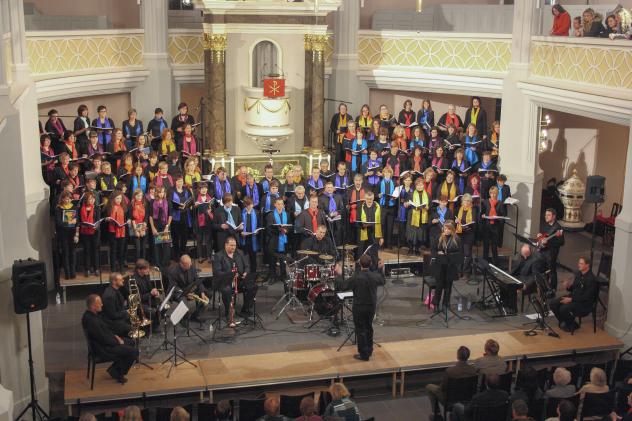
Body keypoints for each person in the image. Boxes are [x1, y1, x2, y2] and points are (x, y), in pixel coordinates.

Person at [82, 294, 137, 384]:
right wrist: (118, 341)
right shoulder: (92, 321)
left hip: (105, 343)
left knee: (131, 342)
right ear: (92, 306)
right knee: (134, 352)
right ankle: (117, 372)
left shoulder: (91, 315)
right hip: (103, 349)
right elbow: (104, 339)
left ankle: (115, 369)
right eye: (99, 303)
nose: (102, 305)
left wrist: (116, 336)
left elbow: (104, 332)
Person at [344, 254, 385, 361]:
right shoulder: (375, 276)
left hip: (359, 307)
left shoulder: (356, 277)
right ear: (371, 264)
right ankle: (369, 350)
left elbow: (345, 285)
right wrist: (380, 269)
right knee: (369, 327)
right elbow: (382, 281)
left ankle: (364, 354)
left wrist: (340, 274)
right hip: (371, 306)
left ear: (359, 264)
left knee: (360, 329)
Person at [426, 346, 478, 418]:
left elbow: (442, 388)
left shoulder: (450, 371)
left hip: (450, 402)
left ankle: (437, 414)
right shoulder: (474, 370)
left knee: (429, 387)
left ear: (457, 356)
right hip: (468, 401)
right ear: (468, 356)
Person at [548, 255, 598, 330]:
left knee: (563, 308)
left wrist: (571, 300)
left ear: (587, 265)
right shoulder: (579, 274)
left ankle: (571, 324)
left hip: (583, 303)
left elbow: (586, 297)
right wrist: (568, 286)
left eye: (581, 263)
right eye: (579, 263)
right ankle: (566, 321)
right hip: (573, 297)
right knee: (553, 303)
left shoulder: (591, 279)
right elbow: (574, 288)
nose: (578, 265)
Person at [213, 236, 256, 318]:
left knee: (253, 286)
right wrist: (230, 274)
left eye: (234, 245)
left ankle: (246, 308)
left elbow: (247, 266)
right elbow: (217, 273)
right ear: (226, 245)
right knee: (227, 290)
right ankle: (228, 311)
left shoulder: (239, 253)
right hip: (226, 281)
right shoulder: (218, 256)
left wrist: (246, 273)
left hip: (239, 279)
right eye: (231, 245)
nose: (233, 247)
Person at [431, 221, 460, 313]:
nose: (446, 231)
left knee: (448, 287)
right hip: (440, 266)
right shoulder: (439, 238)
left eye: (449, 229)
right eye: (445, 228)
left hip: (450, 266)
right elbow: (433, 250)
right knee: (439, 286)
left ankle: (445, 304)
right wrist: (437, 253)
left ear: (452, 230)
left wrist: (452, 255)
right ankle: (436, 304)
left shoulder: (456, 239)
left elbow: (459, 252)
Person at [168, 254, 208, 322]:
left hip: (190, 289)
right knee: (184, 304)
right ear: (181, 264)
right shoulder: (173, 271)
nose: (190, 266)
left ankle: (195, 315)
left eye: (190, 263)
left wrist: (202, 292)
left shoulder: (191, 266)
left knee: (207, 295)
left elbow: (197, 280)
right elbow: (174, 287)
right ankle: (184, 319)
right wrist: (186, 294)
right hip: (179, 292)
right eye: (187, 265)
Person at [540, 208, 565, 291]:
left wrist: (548, 242)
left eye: (548, 215)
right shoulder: (546, 224)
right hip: (544, 251)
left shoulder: (558, 228)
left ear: (554, 216)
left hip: (551, 253)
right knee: (544, 269)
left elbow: (562, 242)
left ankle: (553, 289)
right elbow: (545, 236)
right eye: (545, 215)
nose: (546, 217)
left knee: (552, 271)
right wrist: (540, 236)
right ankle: (545, 287)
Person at [55, 191, 78, 279]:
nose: (68, 200)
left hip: (72, 233)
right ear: (62, 198)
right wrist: (68, 222)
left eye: (69, 199)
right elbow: (58, 223)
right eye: (66, 199)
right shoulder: (58, 208)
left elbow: (77, 222)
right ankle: (67, 273)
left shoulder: (74, 207)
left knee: (73, 253)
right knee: (65, 253)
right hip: (63, 233)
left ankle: (73, 272)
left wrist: (77, 234)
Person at [266, 197, 290, 282]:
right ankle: (273, 277)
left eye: (281, 204)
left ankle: (283, 276)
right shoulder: (270, 215)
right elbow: (269, 228)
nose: (280, 205)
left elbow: (289, 226)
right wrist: (280, 230)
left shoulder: (287, 214)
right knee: (272, 261)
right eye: (278, 204)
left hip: (284, 240)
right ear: (275, 205)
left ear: (283, 205)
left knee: (283, 260)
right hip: (274, 240)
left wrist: (286, 230)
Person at [78, 191, 101, 277]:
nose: (92, 200)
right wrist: (82, 224)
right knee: (87, 251)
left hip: (94, 232)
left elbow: (98, 220)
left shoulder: (97, 208)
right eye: (90, 199)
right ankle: (87, 269)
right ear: (86, 200)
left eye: (93, 199)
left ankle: (96, 269)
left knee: (95, 250)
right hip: (85, 232)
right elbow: (79, 221)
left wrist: (96, 226)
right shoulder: (81, 208)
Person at [481, 186, 506, 265]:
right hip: (487, 227)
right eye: (491, 193)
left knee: (494, 248)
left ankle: (495, 266)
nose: (493, 195)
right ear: (489, 193)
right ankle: (485, 264)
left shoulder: (500, 203)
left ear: (497, 194)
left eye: (495, 193)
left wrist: (498, 218)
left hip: (495, 227)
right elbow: (482, 213)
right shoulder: (485, 202)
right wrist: (483, 215)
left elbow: (503, 216)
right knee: (486, 247)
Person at [101, 272, 132, 337]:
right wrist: (126, 312)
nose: (123, 280)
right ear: (114, 282)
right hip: (112, 322)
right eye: (121, 280)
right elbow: (112, 315)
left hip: (118, 315)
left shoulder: (116, 289)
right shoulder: (109, 296)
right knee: (131, 328)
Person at [149, 185, 172, 268]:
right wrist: (153, 228)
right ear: (156, 193)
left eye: (163, 192)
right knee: (157, 246)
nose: (161, 194)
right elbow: (150, 216)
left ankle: (166, 264)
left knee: (166, 246)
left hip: (165, 225)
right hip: (156, 226)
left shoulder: (168, 201)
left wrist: (167, 226)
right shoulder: (152, 202)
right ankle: (158, 264)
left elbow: (170, 215)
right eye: (159, 192)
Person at [358, 191, 383, 264]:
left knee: (374, 252)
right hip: (364, 232)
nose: (369, 201)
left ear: (373, 198)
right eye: (367, 199)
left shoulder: (377, 206)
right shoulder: (361, 207)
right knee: (364, 252)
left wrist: (381, 237)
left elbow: (381, 222)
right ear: (365, 198)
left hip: (375, 232)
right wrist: (363, 225)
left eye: (371, 199)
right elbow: (358, 220)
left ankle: (374, 268)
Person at [456, 193, 478, 274]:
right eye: (465, 200)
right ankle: (459, 271)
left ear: (471, 202)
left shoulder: (473, 210)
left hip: (469, 234)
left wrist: (466, 225)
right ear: (462, 201)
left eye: (469, 201)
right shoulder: (459, 209)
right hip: (460, 233)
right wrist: (456, 221)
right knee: (460, 253)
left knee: (467, 254)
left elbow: (474, 222)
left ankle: (466, 272)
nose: (467, 202)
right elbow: (456, 220)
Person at [319, 181, 345, 245]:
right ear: (325, 189)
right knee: (328, 240)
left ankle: (337, 253)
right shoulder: (321, 198)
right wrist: (328, 215)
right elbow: (320, 211)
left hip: (337, 223)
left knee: (337, 241)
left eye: (331, 187)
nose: (329, 189)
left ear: (333, 188)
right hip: (327, 223)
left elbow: (342, 209)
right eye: (328, 187)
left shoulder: (338, 197)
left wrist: (337, 212)